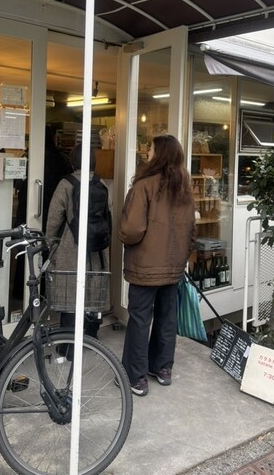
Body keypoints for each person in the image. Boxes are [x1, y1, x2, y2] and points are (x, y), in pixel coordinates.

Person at [119, 134, 196, 396]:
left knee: (140, 320)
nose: (147, 154)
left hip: (145, 266)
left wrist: (124, 237)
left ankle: (135, 377)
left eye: (151, 149)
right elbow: (191, 231)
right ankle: (162, 369)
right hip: (173, 266)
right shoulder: (184, 188)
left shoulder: (144, 186)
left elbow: (131, 229)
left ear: (159, 154)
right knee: (166, 318)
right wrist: (181, 256)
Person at [46, 144, 111, 338]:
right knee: (93, 290)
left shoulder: (66, 184)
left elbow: (54, 219)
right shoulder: (101, 183)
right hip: (97, 249)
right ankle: (91, 336)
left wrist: (50, 245)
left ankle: (67, 343)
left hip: (70, 246)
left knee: (70, 293)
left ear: (73, 161)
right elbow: (108, 215)